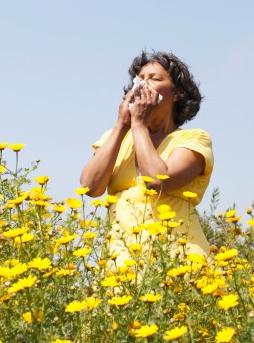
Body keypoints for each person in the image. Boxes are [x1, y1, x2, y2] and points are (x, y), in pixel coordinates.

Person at [80, 51, 213, 267]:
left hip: (177, 260)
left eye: (154, 78)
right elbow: (89, 187)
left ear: (177, 93)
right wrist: (122, 125)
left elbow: (157, 181)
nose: (143, 84)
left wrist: (139, 124)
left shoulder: (194, 139)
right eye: (140, 79)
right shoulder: (117, 137)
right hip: (121, 262)